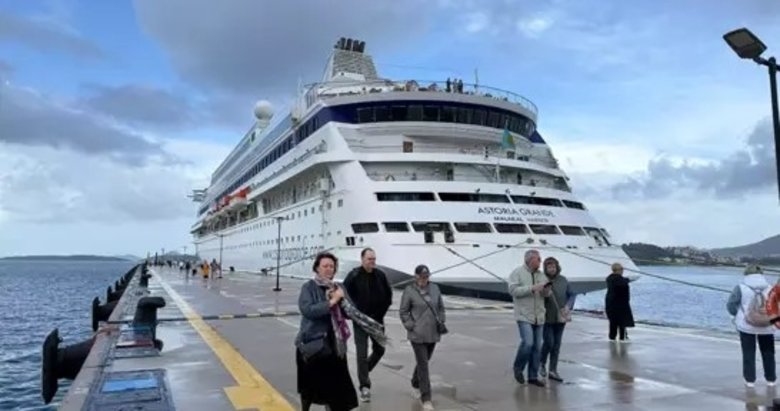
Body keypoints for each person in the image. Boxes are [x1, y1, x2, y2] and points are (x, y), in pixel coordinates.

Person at [295, 252, 358, 411]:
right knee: (309, 386)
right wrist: (332, 301)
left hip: (336, 344)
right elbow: (307, 310)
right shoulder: (308, 287)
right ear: (317, 268)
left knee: (336, 389)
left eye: (332, 266)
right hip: (314, 343)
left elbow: (350, 313)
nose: (329, 269)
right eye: (325, 266)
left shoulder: (339, 288)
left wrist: (343, 301)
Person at [342, 248, 393, 402]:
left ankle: (364, 370)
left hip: (377, 321)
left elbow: (388, 295)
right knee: (361, 353)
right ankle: (365, 386)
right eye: (370, 259)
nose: (372, 262)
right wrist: (352, 315)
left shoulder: (380, 275)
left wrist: (381, 312)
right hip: (360, 322)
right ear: (362, 259)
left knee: (380, 349)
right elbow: (344, 296)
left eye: (374, 259)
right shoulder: (354, 275)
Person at [399, 264, 446, 411]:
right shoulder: (410, 290)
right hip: (417, 334)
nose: (424, 279)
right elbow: (403, 311)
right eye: (422, 277)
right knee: (423, 365)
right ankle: (426, 398)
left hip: (433, 332)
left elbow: (440, 307)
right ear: (416, 276)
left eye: (426, 277)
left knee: (424, 360)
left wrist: (441, 320)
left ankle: (415, 381)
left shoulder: (435, 288)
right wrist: (411, 326)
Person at [726, 265, 776, 388]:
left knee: (748, 352)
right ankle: (771, 379)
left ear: (746, 273)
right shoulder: (770, 288)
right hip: (767, 325)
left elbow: (731, 305)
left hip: (746, 325)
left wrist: (736, 315)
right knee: (768, 352)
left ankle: (750, 380)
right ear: (762, 274)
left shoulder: (740, 287)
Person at [508, 249, 550, 387]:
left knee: (537, 347)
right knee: (528, 343)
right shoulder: (517, 273)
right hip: (524, 315)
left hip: (539, 315)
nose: (540, 261)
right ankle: (518, 367)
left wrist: (546, 291)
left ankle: (533, 376)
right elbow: (513, 291)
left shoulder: (541, 275)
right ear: (530, 260)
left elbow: (546, 295)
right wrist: (532, 288)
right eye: (538, 259)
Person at [539, 257, 576, 382]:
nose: (552, 269)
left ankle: (553, 370)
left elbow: (572, 294)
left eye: (553, 267)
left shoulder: (563, 280)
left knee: (556, 345)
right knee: (549, 342)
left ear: (557, 267)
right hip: (547, 317)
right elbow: (537, 296)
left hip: (561, 317)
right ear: (545, 268)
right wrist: (545, 293)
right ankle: (541, 363)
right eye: (549, 267)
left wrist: (568, 306)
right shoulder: (542, 280)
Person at [605, 263, 634, 342]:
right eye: (621, 269)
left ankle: (612, 338)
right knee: (622, 322)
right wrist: (627, 280)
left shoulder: (609, 279)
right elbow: (622, 283)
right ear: (618, 270)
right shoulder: (619, 280)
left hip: (610, 303)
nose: (622, 271)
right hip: (620, 304)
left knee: (613, 322)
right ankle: (622, 338)